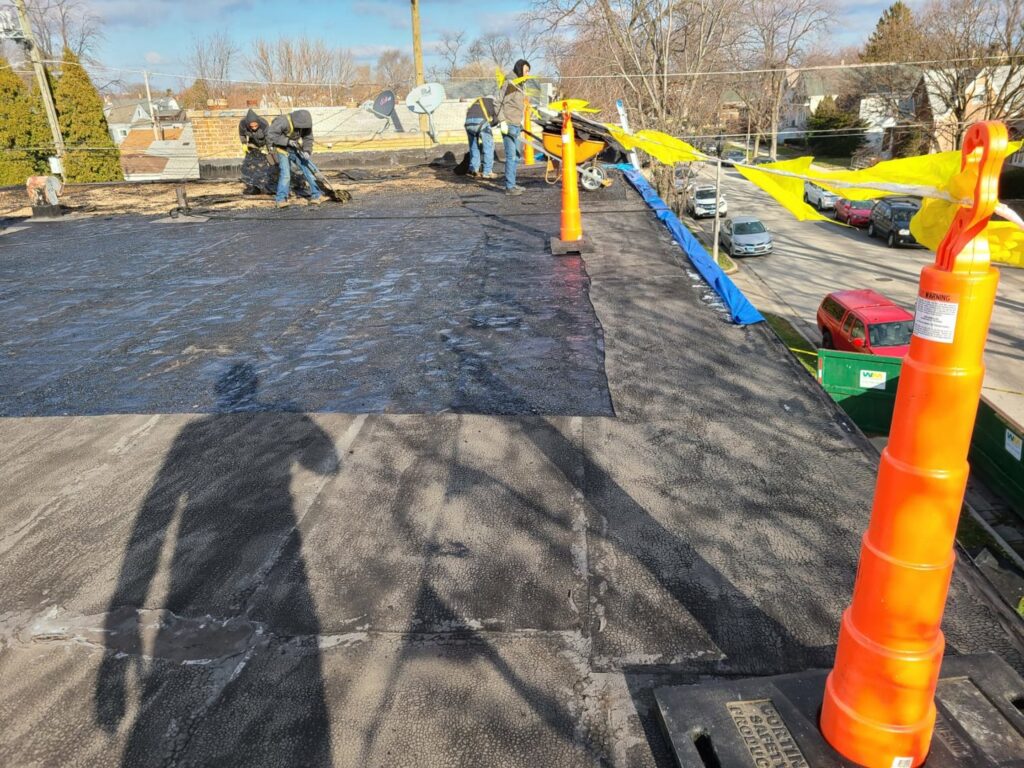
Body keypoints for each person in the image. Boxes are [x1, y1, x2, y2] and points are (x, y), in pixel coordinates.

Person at [267, 109, 324, 208]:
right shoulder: (283, 121)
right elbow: (270, 135)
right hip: (282, 149)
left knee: (308, 170)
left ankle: (316, 195)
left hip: (296, 148)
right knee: (285, 174)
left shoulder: (306, 124)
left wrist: (307, 151)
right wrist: (287, 141)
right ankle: (281, 199)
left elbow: (308, 138)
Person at [496, 58, 530, 196]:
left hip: (515, 124)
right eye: (526, 71)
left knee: (516, 156)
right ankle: (509, 187)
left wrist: (519, 124)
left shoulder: (519, 85)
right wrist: (502, 121)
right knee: (511, 156)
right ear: (519, 69)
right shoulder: (509, 83)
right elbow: (497, 102)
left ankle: (513, 184)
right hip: (508, 125)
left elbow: (514, 106)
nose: (528, 74)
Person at [238, 108, 278, 195]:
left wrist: (270, 150)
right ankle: (255, 187)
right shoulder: (242, 124)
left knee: (272, 163)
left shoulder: (264, 123)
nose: (254, 128)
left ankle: (273, 186)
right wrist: (244, 143)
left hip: (266, 144)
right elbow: (242, 134)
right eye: (251, 127)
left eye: (256, 126)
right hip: (254, 145)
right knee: (253, 166)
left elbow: (269, 138)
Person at [464, 95, 498, 179]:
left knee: (474, 147)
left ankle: (474, 170)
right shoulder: (493, 102)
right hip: (481, 122)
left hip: (468, 123)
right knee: (488, 147)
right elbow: (496, 120)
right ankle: (487, 172)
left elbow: (468, 112)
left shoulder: (476, 102)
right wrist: (491, 125)